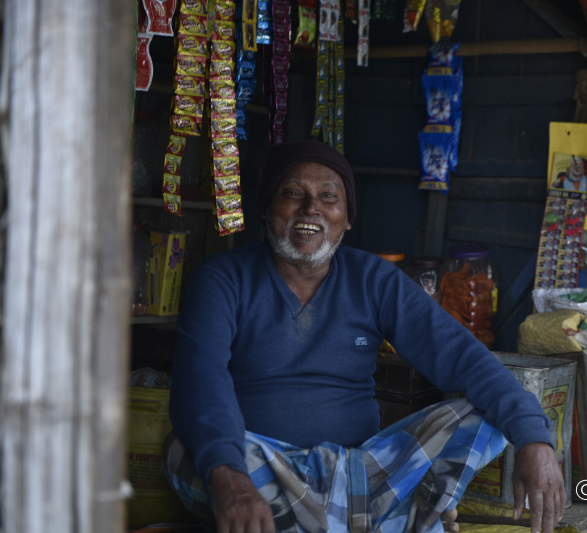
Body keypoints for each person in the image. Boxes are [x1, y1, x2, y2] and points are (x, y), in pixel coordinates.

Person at [164, 141, 566, 533]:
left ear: (347, 217)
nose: (311, 208)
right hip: (259, 465)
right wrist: (230, 477)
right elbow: (201, 380)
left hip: (359, 470)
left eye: (328, 196)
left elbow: (462, 356)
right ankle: (392, 516)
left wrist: (535, 440)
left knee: (485, 419)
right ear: (266, 209)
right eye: (292, 193)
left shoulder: (373, 279)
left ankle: (335, 517)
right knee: (185, 452)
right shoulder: (221, 278)